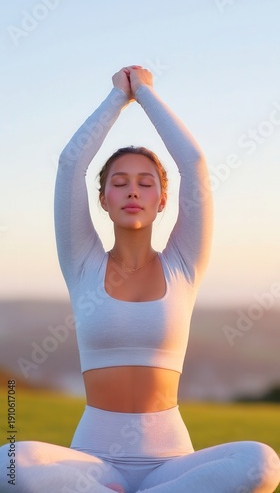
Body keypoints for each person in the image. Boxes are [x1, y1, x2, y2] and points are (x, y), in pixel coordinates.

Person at [0, 66, 279, 493]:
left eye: (145, 183)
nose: (133, 191)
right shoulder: (82, 265)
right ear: (103, 199)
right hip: (92, 461)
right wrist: (117, 97)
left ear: (162, 199)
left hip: (170, 463)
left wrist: (143, 93)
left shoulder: (183, 265)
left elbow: (194, 163)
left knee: (262, 464)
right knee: (9, 465)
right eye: (120, 183)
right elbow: (70, 164)